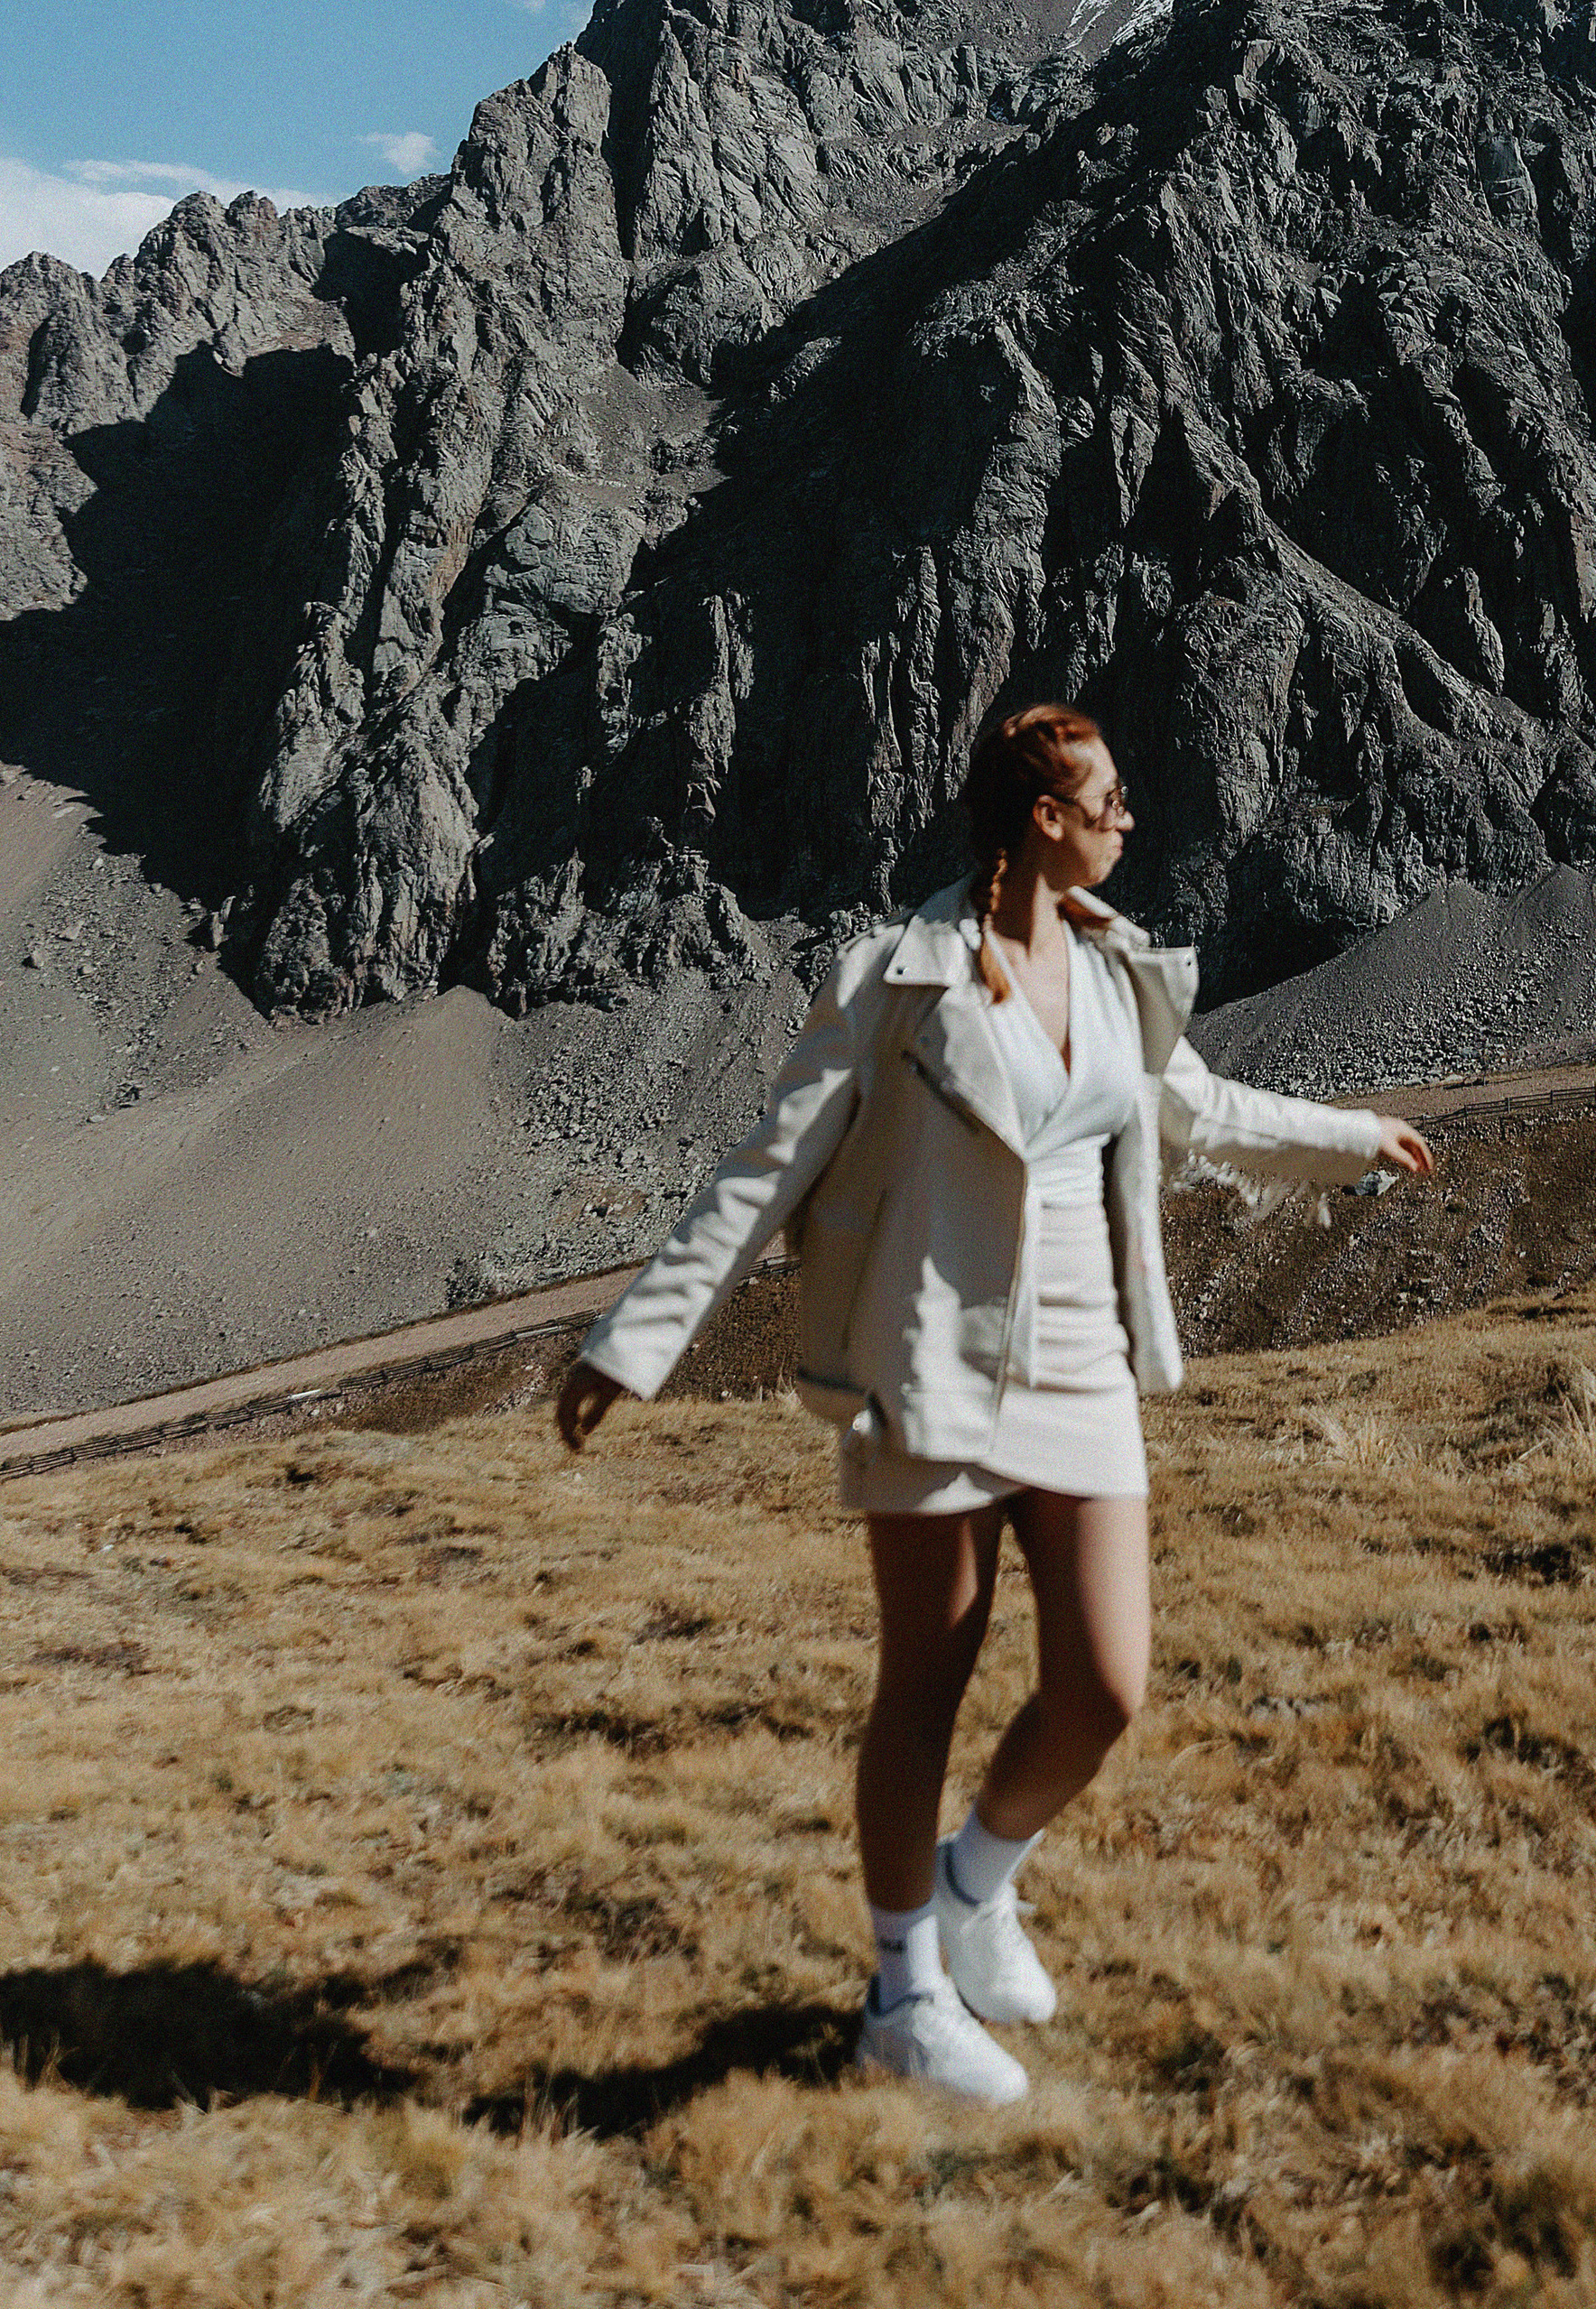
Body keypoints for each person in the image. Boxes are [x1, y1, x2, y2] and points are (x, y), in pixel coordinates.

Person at [558, 703, 1433, 2102]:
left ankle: (975, 1885)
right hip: (932, 1367)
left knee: (1104, 1683)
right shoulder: (895, 981)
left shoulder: (1113, 966)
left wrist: (1353, 1139)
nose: (1129, 822)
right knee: (929, 1681)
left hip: (1086, 1364)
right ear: (1042, 813)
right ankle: (902, 1991)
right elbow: (763, 1167)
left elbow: (1193, 1110)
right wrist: (629, 1344)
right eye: (1110, 799)